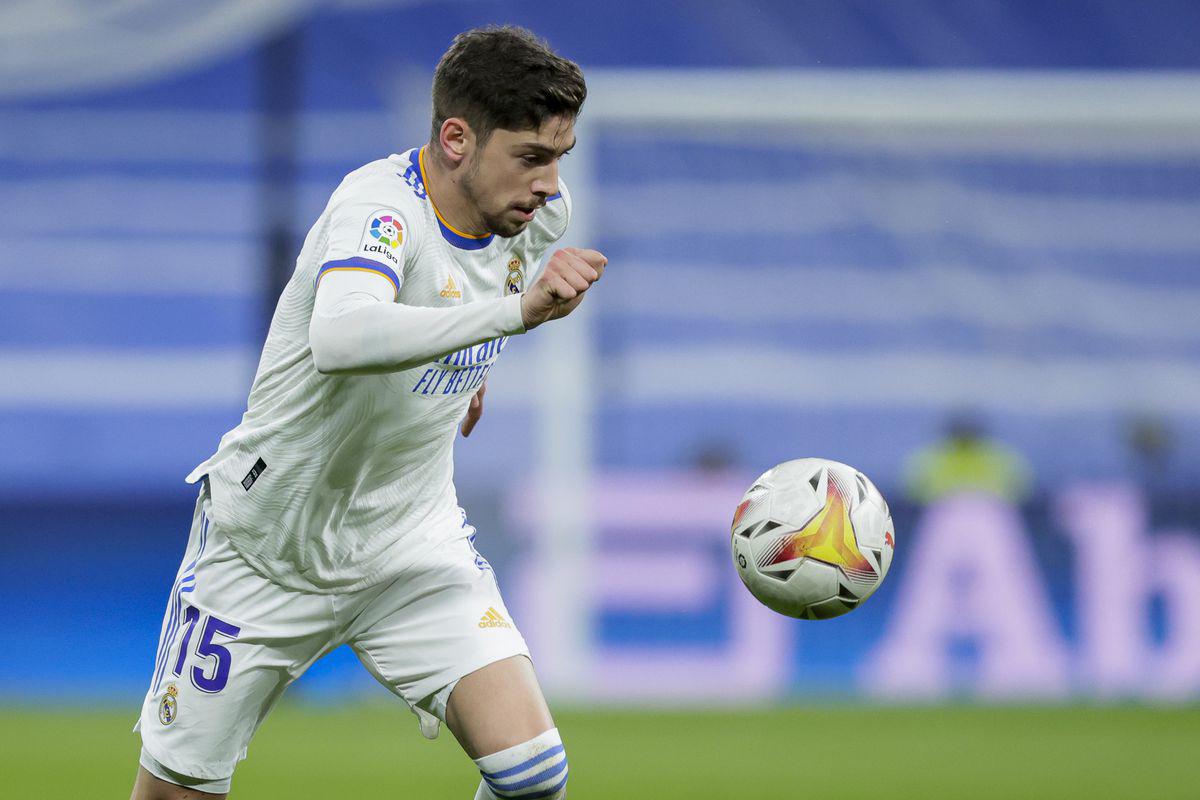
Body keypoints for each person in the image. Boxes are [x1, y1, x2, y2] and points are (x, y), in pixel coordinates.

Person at [130, 25, 603, 799]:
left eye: (559, 158)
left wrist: (468, 373)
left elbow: (467, 299)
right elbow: (344, 335)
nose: (551, 184)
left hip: (408, 541)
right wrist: (512, 314)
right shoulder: (378, 210)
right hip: (266, 551)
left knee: (533, 773)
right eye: (530, 156)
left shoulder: (532, 215)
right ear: (456, 139)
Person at [902, 412, 1031, 506]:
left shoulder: (998, 457)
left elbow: (1021, 488)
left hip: (990, 512)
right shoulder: (933, 457)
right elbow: (912, 490)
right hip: (945, 512)